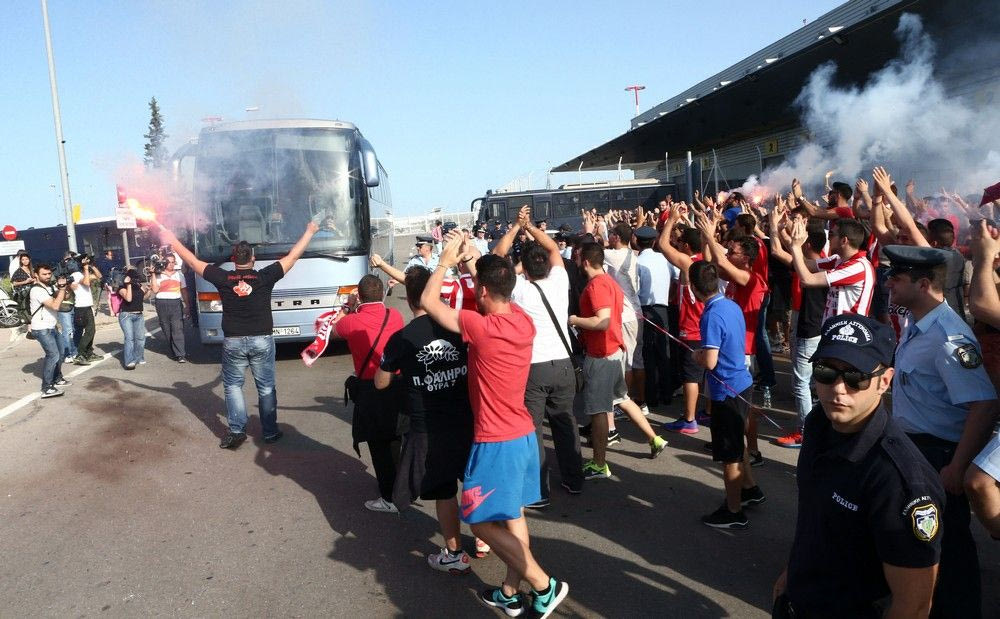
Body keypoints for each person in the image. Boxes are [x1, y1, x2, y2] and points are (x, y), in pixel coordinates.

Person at [421, 234, 569, 618]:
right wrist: (472, 263)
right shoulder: (522, 321)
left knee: (480, 522)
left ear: (483, 291)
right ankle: (509, 591)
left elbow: (428, 302)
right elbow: (492, 286)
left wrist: (444, 262)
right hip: (523, 435)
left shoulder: (479, 327)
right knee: (512, 515)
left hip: (495, 441)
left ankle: (544, 585)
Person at [773, 313, 944, 618]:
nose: (838, 388)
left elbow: (914, 605)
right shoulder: (819, 424)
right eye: (825, 371)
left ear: (884, 381)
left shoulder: (898, 480)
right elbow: (816, 520)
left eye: (856, 376)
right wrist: (792, 574)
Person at [883, 244, 997, 617]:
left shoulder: (949, 339)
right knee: (923, 539)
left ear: (924, 284)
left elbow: (983, 404)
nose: (889, 283)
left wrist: (957, 466)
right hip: (914, 448)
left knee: (949, 546)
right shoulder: (918, 322)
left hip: (939, 454)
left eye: (897, 277)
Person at [158, 221, 319, 449]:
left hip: (233, 341)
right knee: (266, 387)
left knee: (233, 386)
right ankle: (270, 432)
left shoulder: (223, 278)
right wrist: (309, 231)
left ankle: (236, 431)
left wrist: (172, 240)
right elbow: (292, 257)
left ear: (234, 260)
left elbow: (192, 262)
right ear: (253, 259)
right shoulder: (265, 276)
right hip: (262, 339)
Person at [375, 267, 474, 572]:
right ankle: (487, 538)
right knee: (477, 481)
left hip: (428, 428)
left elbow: (381, 383)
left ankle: (455, 553)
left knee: (444, 490)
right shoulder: (459, 326)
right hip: (467, 419)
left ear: (408, 299)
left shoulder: (401, 338)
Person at [504, 206, 584, 500]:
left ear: (524, 268)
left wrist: (517, 226)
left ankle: (539, 490)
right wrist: (531, 228)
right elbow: (551, 247)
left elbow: (499, 259)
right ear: (549, 266)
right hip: (563, 363)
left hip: (534, 367)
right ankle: (574, 479)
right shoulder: (560, 281)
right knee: (565, 421)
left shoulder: (519, 290)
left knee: (533, 428)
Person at [571, 242, 667, 481]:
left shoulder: (597, 285)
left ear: (585, 261)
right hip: (614, 349)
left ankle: (599, 464)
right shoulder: (610, 281)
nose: (575, 261)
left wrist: (574, 320)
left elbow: (602, 321)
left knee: (598, 410)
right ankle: (655, 439)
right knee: (622, 398)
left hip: (602, 354)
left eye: (577, 257)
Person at [688, 261, 763, 528]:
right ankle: (750, 489)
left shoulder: (711, 315)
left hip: (726, 390)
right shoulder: (731, 304)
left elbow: (709, 361)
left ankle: (733, 512)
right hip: (742, 382)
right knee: (736, 444)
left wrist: (696, 355)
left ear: (694, 288)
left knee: (729, 455)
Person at [331, 275, 405, 513]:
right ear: (382, 293)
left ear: (360, 296)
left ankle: (388, 497)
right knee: (395, 439)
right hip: (397, 384)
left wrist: (348, 306)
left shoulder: (352, 321)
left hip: (370, 388)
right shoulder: (395, 315)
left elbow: (332, 330)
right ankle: (400, 488)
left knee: (378, 444)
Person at [789, 217, 875, 321]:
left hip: (847, 329)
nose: (828, 239)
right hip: (832, 326)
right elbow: (805, 264)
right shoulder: (838, 259)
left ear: (844, 240)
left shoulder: (858, 267)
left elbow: (807, 280)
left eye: (831, 234)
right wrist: (792, 239)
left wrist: (796, 246)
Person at [635, 225, 679, 408]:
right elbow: (677, 277)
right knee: (663, 351)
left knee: (648, 353)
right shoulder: (664, 258)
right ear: (654, 241)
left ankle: (651, 396)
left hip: (644, 309)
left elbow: (636, 289)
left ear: (637, 242)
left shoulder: (637, 262)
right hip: (662, 308)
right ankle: (666, 393)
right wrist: (670, 294)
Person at [27, 263, 71, 398]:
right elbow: (55, 305)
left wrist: (64, 287)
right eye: (44, 274)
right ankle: (46, 388)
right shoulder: (37, 290)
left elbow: (66, 297)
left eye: (49, 274)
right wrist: (62, 289)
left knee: (61, 353)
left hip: (52, 326)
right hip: (41, 328)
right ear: (36, 275)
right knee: (53, 355)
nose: (47, 276)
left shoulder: (49, 286)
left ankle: (57, 378)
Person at [150, 253, 190, 362]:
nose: (171, 264)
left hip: (176, 303)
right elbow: (155, 290)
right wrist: (153, 274)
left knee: (178, 328)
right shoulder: (158, 275)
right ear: (164, 263)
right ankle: (174, 350)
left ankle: (180, 354)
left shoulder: (179, 275)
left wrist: (187, 305)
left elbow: (184, 291)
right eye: (168, 262)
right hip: (161, 303)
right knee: (166, 329)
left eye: (173, 262)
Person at [71, 254, 102, 364]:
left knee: (91, 331)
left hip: (87, 306)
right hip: (81, 307)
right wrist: (85, 267)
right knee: (89, 331)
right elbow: (87, 283)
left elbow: (99, 276)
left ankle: (88, 353)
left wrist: (91, 265)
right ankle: (80, 354)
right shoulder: (75, 274)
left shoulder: (83, 273)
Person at [116, 267, 149, 370]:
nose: (135, 279)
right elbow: (129, 299)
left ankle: (138, 357)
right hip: (126, 315)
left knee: (140, 338)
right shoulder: (121, 288)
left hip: (139, 315)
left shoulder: (138, 286)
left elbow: (144, 298)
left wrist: (149, 290)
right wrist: (128, 284)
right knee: (130, 338)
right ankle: (129, 361)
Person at [10, 252, 35, 324]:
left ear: (29, 260)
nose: (25, 261)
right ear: (21, 261)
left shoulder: (32, 269)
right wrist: (25, 282)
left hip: (33, 291)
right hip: (24, 294)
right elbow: (14, 283)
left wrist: (34, 280)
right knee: (27, 311)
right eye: (23, 260)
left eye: (26, 259)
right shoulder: (19, 271)